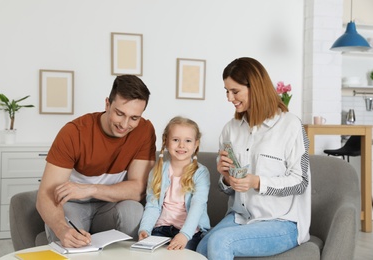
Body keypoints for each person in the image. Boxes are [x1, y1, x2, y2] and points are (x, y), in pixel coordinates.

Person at [196, 57, 311, 259]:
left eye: (235, 91)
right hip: (240, 217)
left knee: (220, 241)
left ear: (255, 87)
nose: (229, 98)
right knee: (200, 248)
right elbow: (227, 189)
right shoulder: (230, 129)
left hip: (282, 222)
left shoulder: (290, 125)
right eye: (226, 91)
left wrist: (256, 182)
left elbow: (300, 182)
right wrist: (225, 178)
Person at [36, 75, 156, 248]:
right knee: (67, 235)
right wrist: (62, 229)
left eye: (134, 118)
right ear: (107, 104)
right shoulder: (74, 132)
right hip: (72, 204)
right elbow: (45, 195)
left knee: (133, 210)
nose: (124, 124)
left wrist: (89, 189)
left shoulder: (144, 131)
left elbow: (138, 190)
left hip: (110, 205)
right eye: (119, 113)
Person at [138, 116, 211, 251]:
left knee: (180, 255)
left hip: (191, 232)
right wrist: (145, 229)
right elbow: (152, 205)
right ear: (166, 142)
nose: (181, 145)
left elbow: (197, 205)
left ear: (196, 144)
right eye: (176, 140)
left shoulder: (200, 173)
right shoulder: (157, 171)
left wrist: (184, 234)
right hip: (160, 229)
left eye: (188, 141)